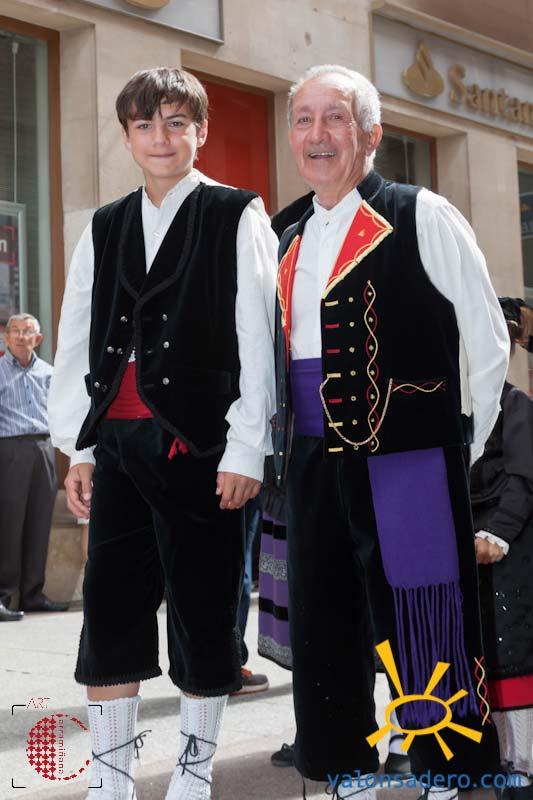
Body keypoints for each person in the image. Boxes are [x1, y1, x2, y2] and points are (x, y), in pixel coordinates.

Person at [273, 64, 509, 800]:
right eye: (304, 119)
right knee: (324, 615)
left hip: (409, 452)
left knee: (424, 611)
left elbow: (485, 339)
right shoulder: (282, 232)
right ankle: (343, 765)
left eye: (335, 117)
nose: (317, 134)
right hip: (309, 453)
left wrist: (464, 447)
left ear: (371, 133)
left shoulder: (420, 212)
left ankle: (446, 768)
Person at [48, 67, 277, 800]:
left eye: (177, 123)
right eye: (145, 125)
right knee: (110, 615)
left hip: (201, 448)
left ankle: (193, 773)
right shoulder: (105, 224)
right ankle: (111, 779)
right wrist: (78, 447)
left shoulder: (236, 212)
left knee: (204, 613)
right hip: (116, 446)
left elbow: (256, 336)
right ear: (126, 136)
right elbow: (77, 335)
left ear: (200, 131)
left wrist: (246, 447)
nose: (161, 138)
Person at [471, 297, 533, 800]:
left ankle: (522, 766)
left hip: (508, 552)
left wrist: (498, 534)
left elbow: (524, 479)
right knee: (483, 663)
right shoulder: (455, 409)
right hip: (467, 552)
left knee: (514, 659)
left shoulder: (515, 405)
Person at [0, 313, 66, 621]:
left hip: (44, 449)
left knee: (40, 522)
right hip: (9, 450)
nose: (20, 336)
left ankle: (33, 594)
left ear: (37, 339)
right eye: (14, 331)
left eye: (27, 331)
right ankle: (4, 595)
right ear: (6, 338)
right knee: (8, 523)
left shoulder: (50, 373)